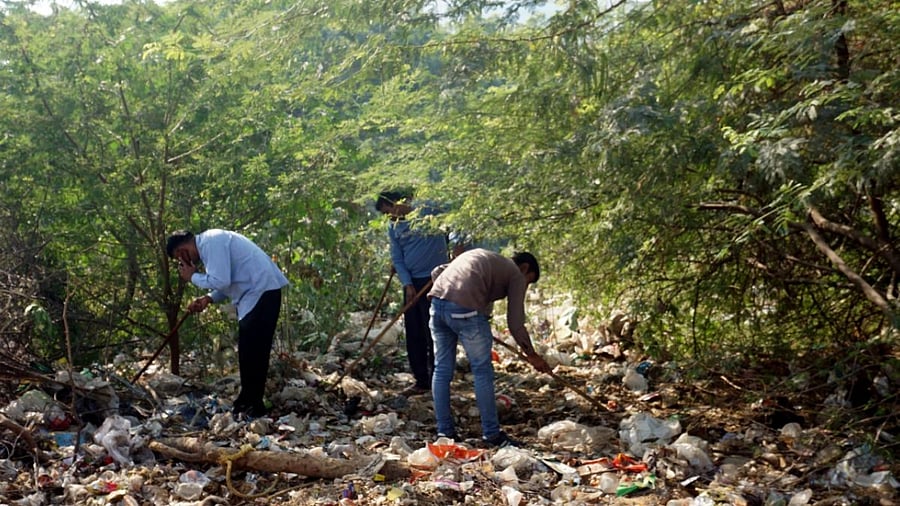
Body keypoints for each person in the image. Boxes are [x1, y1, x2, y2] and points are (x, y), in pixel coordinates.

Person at [428, 248, 552, 447]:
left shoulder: (487, 260)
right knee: (482, 370)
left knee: (442, 369)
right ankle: (491, 434)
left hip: (437, 305)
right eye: (529, 281)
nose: (525, 287)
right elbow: (516, 323)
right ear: (525, 268)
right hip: (465, 312)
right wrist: (532, 355)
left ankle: (444, 432)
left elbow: (437, 272)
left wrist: (457, 305)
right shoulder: (515, 273)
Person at [165, 229, 289, 418]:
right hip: (258, 292)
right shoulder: (210, 245)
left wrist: (192, 277)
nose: (184, 262)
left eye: (179, 257)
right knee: (251, 352)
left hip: (260, 290)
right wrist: (208, 298)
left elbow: (221, 280)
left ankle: (252, 405)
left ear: (182, 249)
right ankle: (249, 403)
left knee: (253, 352)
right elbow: (227, 281)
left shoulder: (210, 242)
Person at [376, 190, 449, 397]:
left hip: (436, 280)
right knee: (414, 332)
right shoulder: (394, 227)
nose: (389, 216)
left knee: (434, 330)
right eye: (385, 214)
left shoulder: (428, 212)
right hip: (412, 284)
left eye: (389, 210)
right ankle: (421, 380)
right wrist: (407, 284)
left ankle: (439, 380)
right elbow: (397, 258)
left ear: (399, 202)